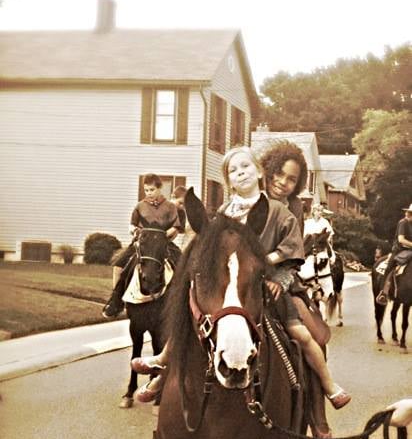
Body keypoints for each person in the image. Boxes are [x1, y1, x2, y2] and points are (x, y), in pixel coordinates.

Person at [134, 147, 351, 410]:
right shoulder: (227, 210)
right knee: (192, 316)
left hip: (273, 280)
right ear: (229, 180)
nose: (241, 173)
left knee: (299, 332)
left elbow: (292, 253)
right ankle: (164, 366)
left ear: (258, 171)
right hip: (232, 280)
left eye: (245, 167)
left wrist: (262, 266)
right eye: (234, 171)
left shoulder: (280, 212)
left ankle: (328, 385)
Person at [102, 173, 180, 319]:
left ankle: (182, 303)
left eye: (152, 190)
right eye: (146, 190)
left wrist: (166, 234)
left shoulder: (170, 207)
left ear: (160, 188)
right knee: (120, 266)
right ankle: (116, 301)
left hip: (163, 243)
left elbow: (176, 227)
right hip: (143, 243)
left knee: (181, 264)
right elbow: (132, 224)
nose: (149, 193)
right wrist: (133, 230)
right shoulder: (140, 206)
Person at [376, 203, 412, 306]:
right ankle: (384, 292)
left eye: (410, 213)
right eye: (408, 213)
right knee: (389, 267)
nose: (408, 214)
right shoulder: (403, 223)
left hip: (410, 251)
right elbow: (401, 239)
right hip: (399, 250)